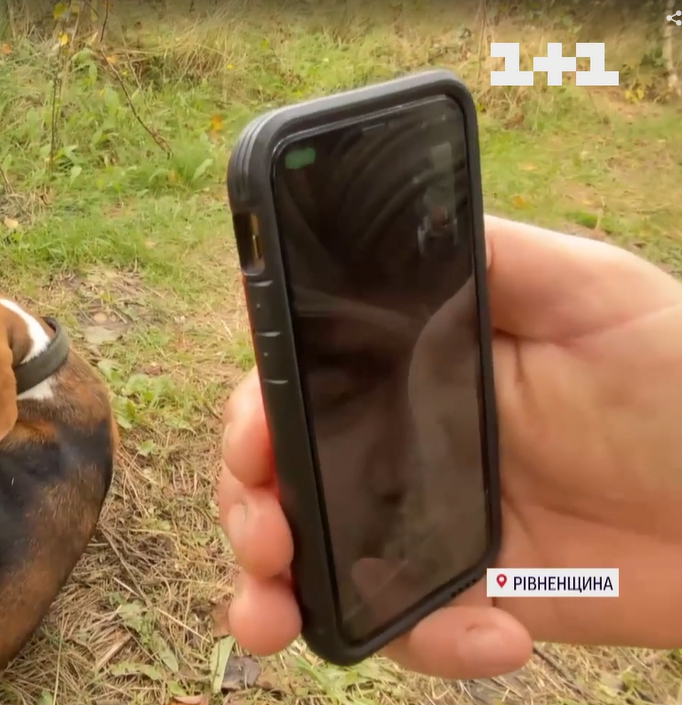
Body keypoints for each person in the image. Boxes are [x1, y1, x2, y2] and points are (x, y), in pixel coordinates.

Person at [218, 215, 682, 679]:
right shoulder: (513, 577)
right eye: (337, 398)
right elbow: (586, 584)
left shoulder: (500, 561)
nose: (405, 453)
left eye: (425, 370)